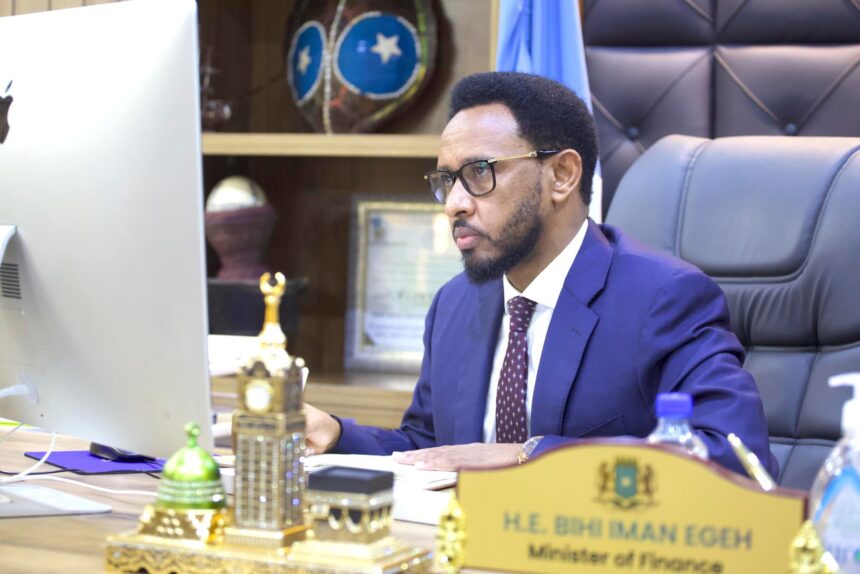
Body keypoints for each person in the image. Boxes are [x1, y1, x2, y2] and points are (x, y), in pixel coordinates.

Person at [305, 71, 777, 477]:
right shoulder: (454, 302)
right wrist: (338, 434)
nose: (454, 204)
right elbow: (431, 449)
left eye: (479, 172)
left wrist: (528, 456)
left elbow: (738, 458)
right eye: (446, 181)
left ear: (562, 175)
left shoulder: (664, 299)